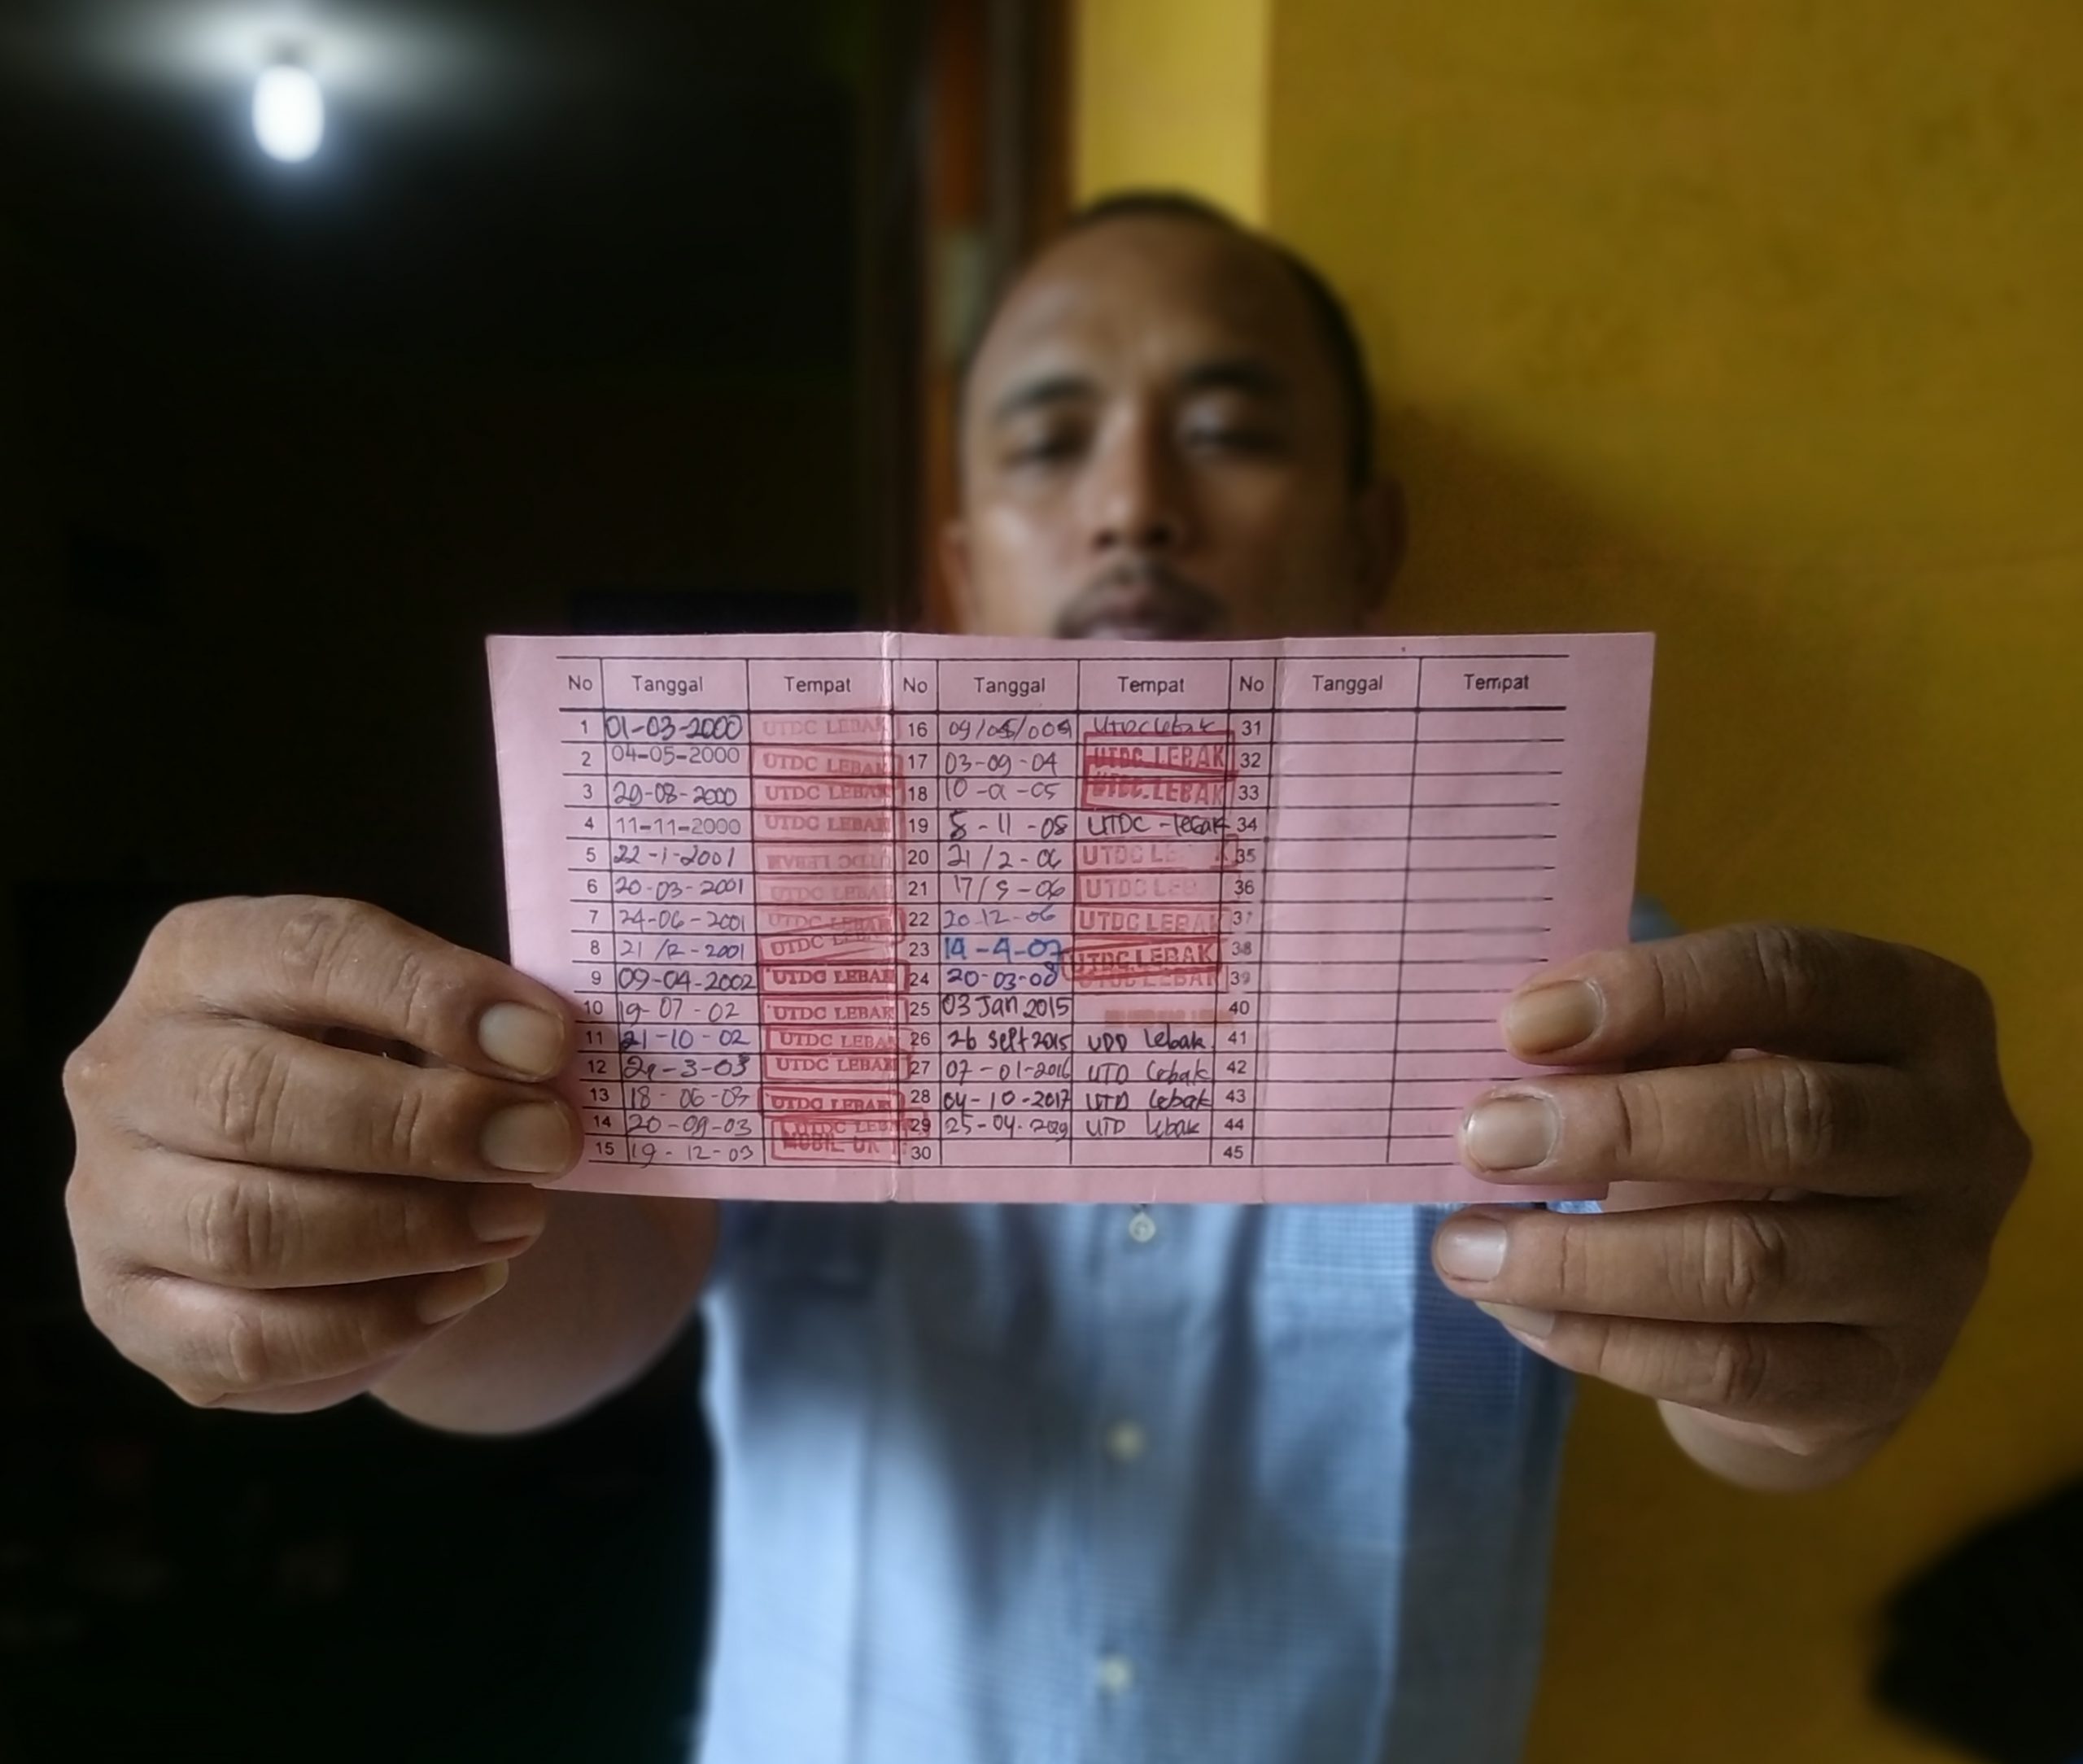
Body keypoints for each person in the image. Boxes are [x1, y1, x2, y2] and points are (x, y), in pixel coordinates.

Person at [61, 193, 2031, 1762]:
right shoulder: (769, 909)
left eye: (1230, 427)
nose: (1132, 499)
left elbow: (1745, 1384)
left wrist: (1828, 1353)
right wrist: (351, 1245)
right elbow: (572, 1298)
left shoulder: (1586, 980)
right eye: (1047, 437)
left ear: (1368, 546)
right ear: (959, 572)